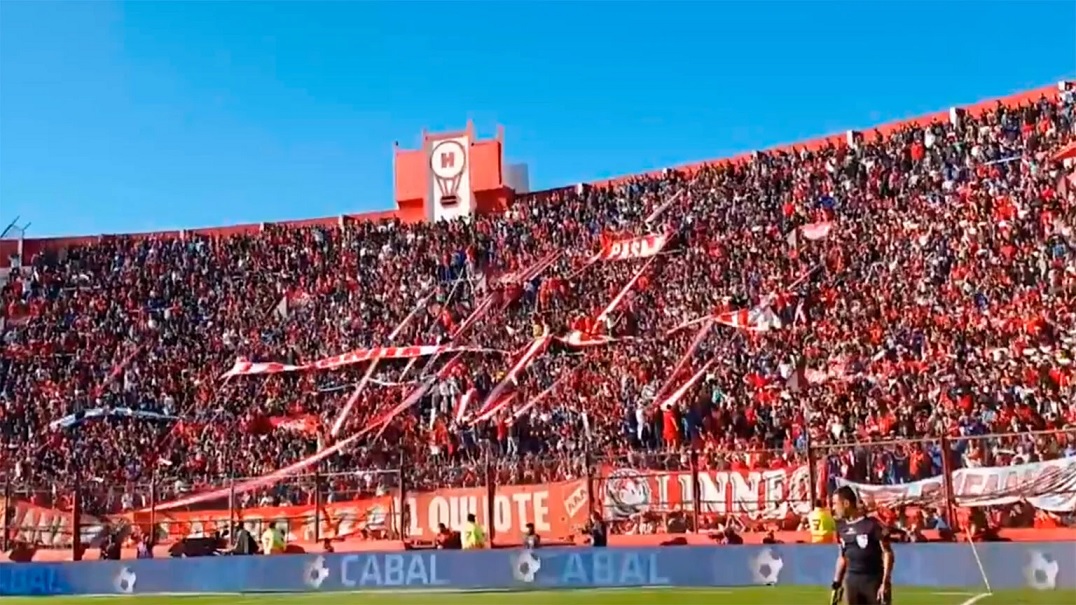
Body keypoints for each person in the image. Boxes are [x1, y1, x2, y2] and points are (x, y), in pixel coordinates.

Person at [831, 486, 893, 605]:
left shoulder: (872, 525)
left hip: (873, 580)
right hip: (852, 582)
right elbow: (842, 557)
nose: (834, 508)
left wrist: (885, 582)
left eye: (835, 504)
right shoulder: (841, 527)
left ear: (846, 503)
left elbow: (887, 553)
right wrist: (836, 584)